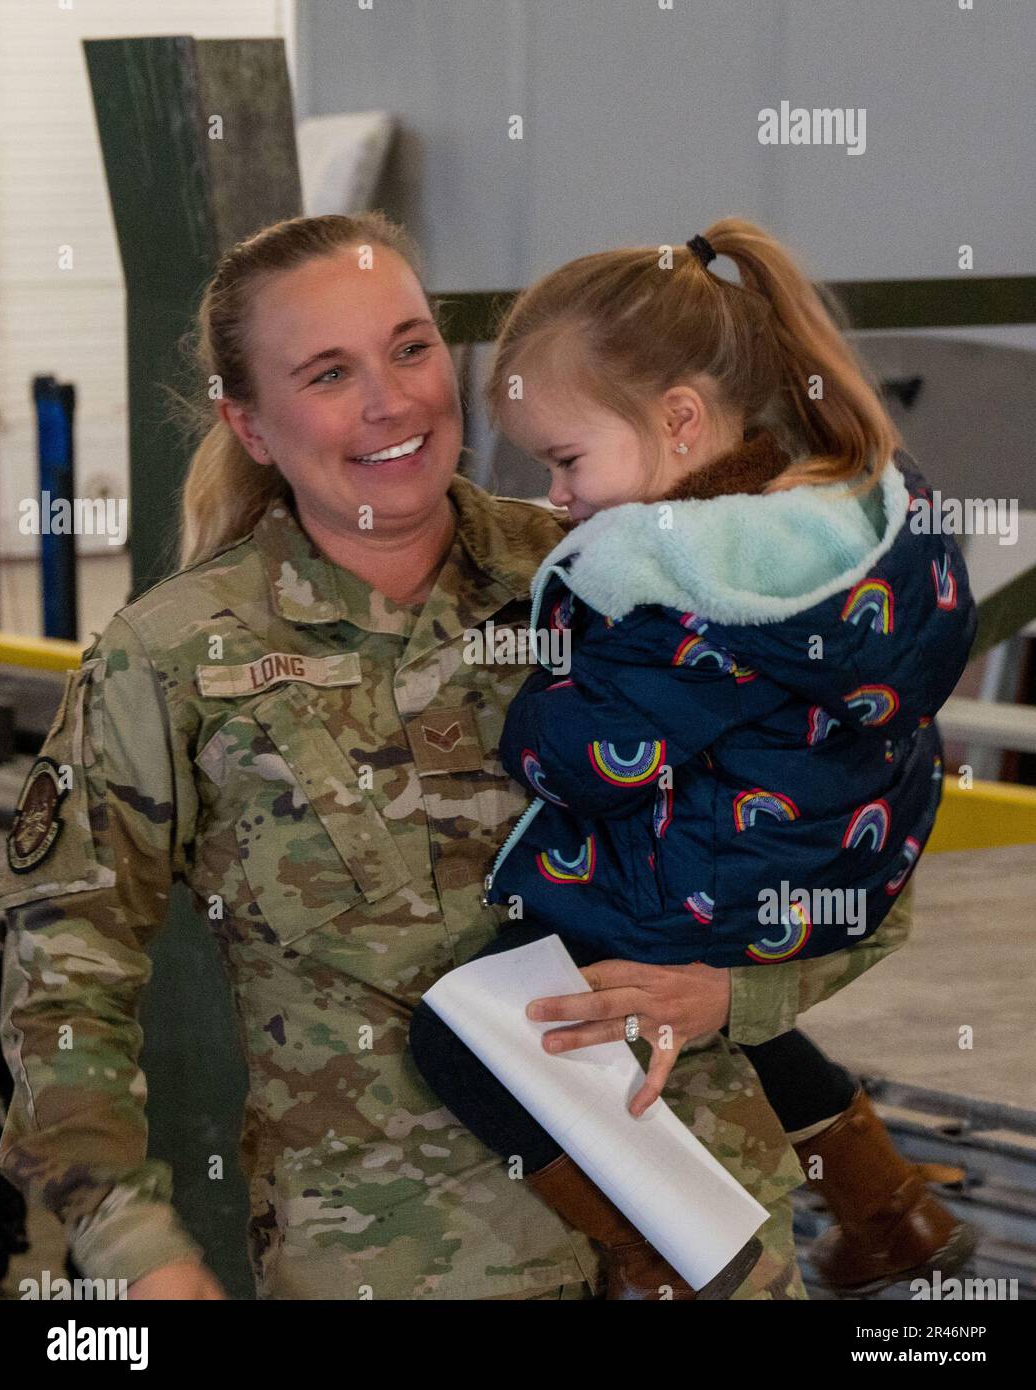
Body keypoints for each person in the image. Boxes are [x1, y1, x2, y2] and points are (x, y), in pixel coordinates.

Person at [0, 211, 911, 1301]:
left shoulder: (629, 580)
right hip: (402, 1265)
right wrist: (138, 1252)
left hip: (712, 1247)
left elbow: (871, 858)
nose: (391, 401)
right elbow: (65, 984)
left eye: (411, 347)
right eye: (329, 373)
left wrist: (731, 995)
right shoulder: (174, 663)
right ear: (249, 424)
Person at [409, 221, 978, 1298]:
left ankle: (655, 1260)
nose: (559, 500)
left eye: (567, 461)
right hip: (842, 864)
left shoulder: (685, 581)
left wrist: (527, 714)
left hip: (734, 877)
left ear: (677, 419)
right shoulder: (849, 516)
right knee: (712, 1010)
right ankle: (887, 1208)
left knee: (469, 1027)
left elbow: (588, 762)